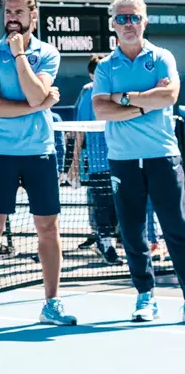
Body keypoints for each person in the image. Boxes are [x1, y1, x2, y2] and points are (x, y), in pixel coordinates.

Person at [0, 0, 77, 329]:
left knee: (48, 228)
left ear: (33, 15)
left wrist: (20, 58)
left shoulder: (48, 53)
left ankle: (51, 302)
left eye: (19, 12)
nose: (12, 19)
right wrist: (39, 103)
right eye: (8, 12)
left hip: (40, 153)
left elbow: (33, 93)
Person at [92, 0, 185, 322]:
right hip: (123, 161)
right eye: (122, 18)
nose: (128, 24)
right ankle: (145, 296)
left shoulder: (162, 58)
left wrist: (125, 100)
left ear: (144, 21)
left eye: (134, 17)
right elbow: (101, 108)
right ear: (112, 25)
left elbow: (170, 94)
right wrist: (147, 100)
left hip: (162, 156)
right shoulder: (106, 67)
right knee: (132, 232)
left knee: (178, 228)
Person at [69, 55, 121, 265]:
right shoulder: (88, 93)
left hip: (121, 158)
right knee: (102, 206)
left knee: (122, 205)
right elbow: (80, 131)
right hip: (99, 163)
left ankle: (118, 242)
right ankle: (106, 244)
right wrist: (74, 165)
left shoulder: (118, 89)